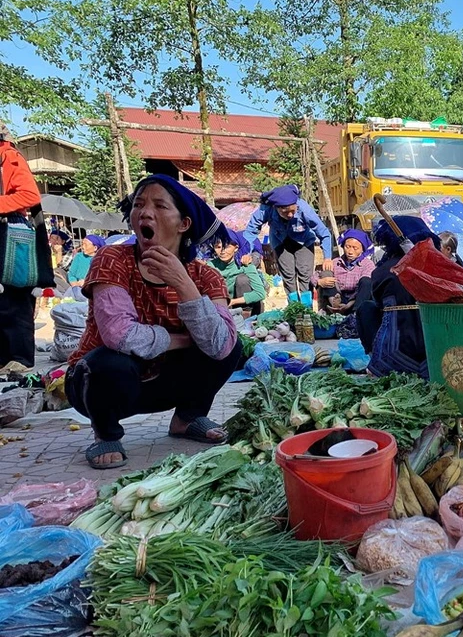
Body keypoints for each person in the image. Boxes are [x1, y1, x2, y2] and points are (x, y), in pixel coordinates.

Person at [65, 174, 242, 469]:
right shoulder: (113, 259)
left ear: (183, 224)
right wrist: (184, 340)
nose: (145, 212)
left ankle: (187, 419)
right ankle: (106, 432)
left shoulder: (205, 276)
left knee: (231, 346)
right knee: (110, 362)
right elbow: (120, 336)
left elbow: (221, 344)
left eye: (160, 206)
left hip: (161, 382)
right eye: (139, 204)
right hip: (97, 383)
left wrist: (183, 284)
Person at [356, 216, 438, 379]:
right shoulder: (437, 266)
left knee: (366, 309)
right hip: (434, 352)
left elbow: (378, 304)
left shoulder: (382, 271)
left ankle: (376, 362)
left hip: (394, 354)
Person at [244, 184, 331, 307]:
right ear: (276, 207)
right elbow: (250, 231)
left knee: (305, 275)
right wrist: (247, 252)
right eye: (285, 212)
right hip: (280, 241)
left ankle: (307, 310)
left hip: (304, 242)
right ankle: (294, 310)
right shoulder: (266, 209)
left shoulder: (304, 209)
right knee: (288, 276)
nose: (290, 215)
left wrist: (327, 257)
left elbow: (324, 233)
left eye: (292, 211)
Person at [0, 124, 43, 374]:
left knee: (13, 299)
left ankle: (19, 361)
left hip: (10, 233)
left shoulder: (9, 156)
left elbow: (30, 196)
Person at [318, 228, 375, 315]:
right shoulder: (335, 262)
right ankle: (334, 303)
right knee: (326, 273)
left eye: (355, 248)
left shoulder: (368, 264)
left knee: (366, 281)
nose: (350, 252)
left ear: (362, 249)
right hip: (338, 298)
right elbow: (315, 276)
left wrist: (348, 305)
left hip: (355, 301)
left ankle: (355, 315)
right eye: (347, 247)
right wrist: (320, 281)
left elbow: (365, 288)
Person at [209, 230, 266, 315]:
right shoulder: (211, 266)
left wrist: (233, 301)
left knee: (242, 279)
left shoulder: (244, 264)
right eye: (218, 247)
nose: (222, 251)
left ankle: (246, 316)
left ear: (236, 248)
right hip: (223, 306)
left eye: (227, 247)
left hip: (246, 306)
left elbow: (260, 293)